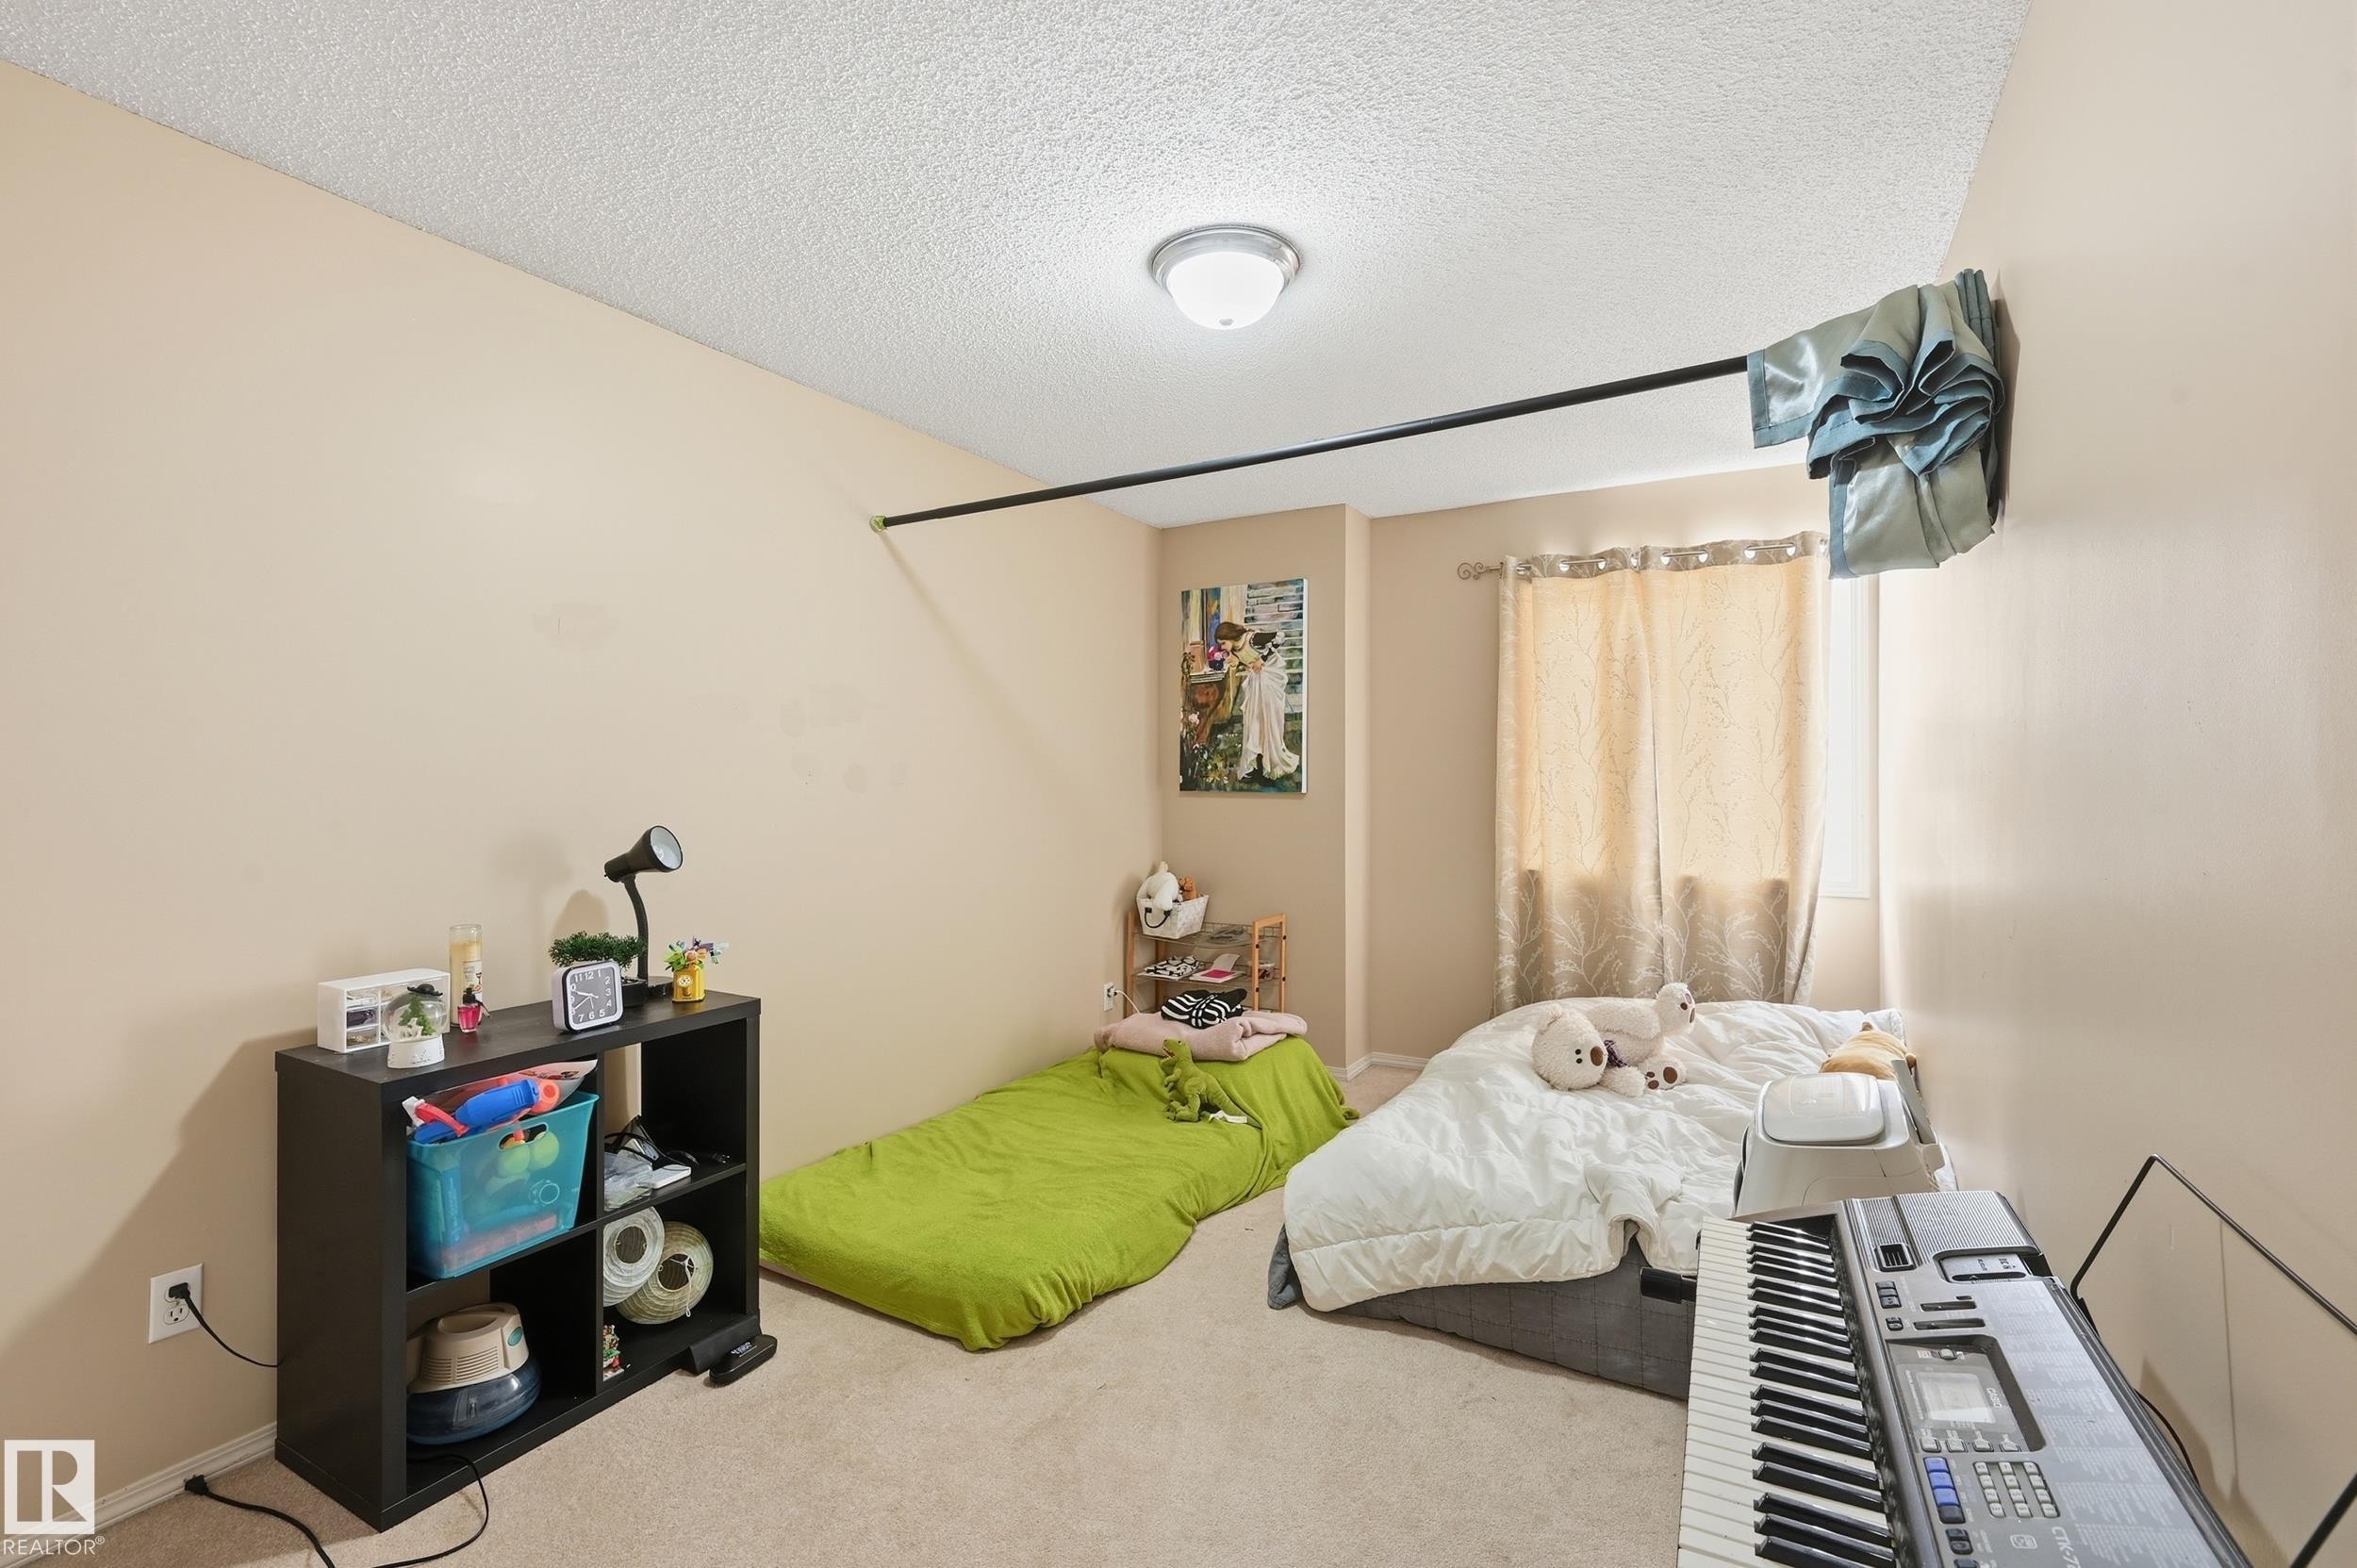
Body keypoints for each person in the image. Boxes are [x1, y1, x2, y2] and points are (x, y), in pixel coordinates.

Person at [1233, 628, 1298, 783]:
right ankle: (1259, 765)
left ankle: (1271, 763)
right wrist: (1243, 665)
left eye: (1223, 643)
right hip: (1257, 684)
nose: (1222, 647)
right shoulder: (1237, 648)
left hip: (1269, 682)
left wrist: (1262, 658)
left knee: (1269, 722)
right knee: (1256, 723)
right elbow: (1249, 662)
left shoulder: (1254, 638)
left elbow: (1280, 636)